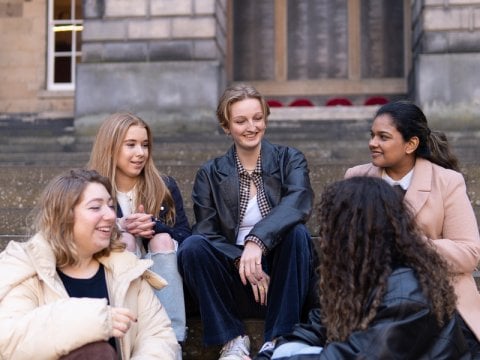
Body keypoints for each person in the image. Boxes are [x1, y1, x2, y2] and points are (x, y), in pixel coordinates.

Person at [255, 176, 470, 359]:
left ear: (356, 235)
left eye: (333, 227)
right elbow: (316, 328)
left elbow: (356, 356)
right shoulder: (358, 278)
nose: (325, 238)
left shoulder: (407, 294)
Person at [177, 83, 316, 360]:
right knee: (192, 246)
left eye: (257, 118)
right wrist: (241, 259)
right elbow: (206, 230)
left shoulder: (290, 159)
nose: (251, 127)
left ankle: (280, 338)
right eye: (240, 121)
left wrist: (257, 241)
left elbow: (298, 202)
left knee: (297, 234)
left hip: (280, 277)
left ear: (265, 118)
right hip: (234, 279)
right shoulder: (210, 173)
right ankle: (232, 339)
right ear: (226, 126)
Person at [345, 100, 480, 356]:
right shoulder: (356, 178)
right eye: (372, 135)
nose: (372, 143)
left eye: (383, 137)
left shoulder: (447, 182)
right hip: (376, 296)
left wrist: (410, 245)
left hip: (440, 298)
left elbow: (469, 253)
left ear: (411, 144)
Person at [0, 169, 180, 359]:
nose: (111, 216)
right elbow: (9, 341)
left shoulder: (126, 268)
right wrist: (94, 319)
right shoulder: (26, 270)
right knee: (95, 352)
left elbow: (157, 336)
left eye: (111, 206)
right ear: (64, 216)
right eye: (95, 207)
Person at [88, 112, 191, 343]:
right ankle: (127, 335)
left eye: (145, 145)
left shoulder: (164, 186)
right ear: (111, 147)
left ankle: (172, 339)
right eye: (131, 145)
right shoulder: (91, 188)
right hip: (114, 273)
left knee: (162, 239)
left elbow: (186, 236)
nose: (140, 153)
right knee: (125, 238)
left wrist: (154, 226)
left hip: (162, 272)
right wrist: (119, 224)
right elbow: (76, 232)